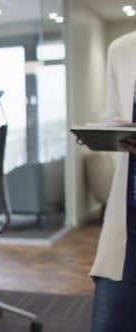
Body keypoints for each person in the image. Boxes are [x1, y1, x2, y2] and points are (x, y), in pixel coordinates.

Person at [90, 31, 136, 332]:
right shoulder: (122, 49)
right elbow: (114, 115)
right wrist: (114, 129)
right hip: (129, 209)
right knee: (110, 322)